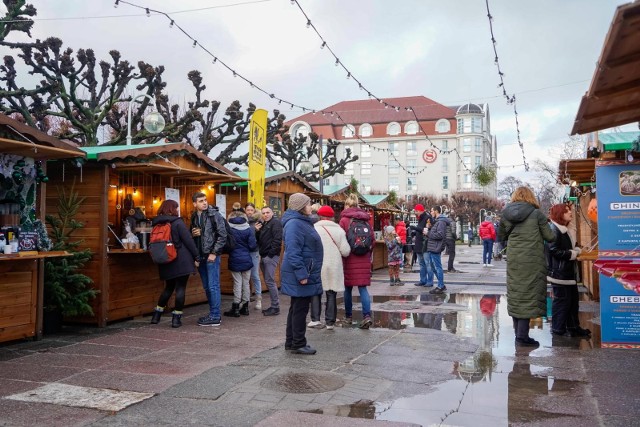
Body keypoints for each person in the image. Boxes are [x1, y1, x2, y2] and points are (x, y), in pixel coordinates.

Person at [498, 186, 555, 347]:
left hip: (515, 259)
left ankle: (519, 334)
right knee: (528, 294)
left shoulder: (506, 214)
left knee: (517, 294)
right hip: (532, 260)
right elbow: (550, 237)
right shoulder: (537, 214)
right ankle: (522, 337)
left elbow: (501, 235)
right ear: (531, 197)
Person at [280, 193, 323, 355]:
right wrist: (302, 274)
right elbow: (293, 252)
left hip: (304, 270)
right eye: (308, 203)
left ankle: (291, 342)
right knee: (300, 309)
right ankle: (298, 343)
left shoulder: (301, 222)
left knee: (296, 307)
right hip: (301, 272)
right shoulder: (295, 224)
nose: (310, 206)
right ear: (300, 206)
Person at [150, 199, 200, 328]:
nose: (178, 210)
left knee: (168, 288)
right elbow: (188, 240)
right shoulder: (177, 222)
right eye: (176, 207)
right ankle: (176, 319)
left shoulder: (156, 223)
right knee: (180, 288)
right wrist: (197, 256)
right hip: (181, 259)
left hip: (166, 260)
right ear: (173, 209)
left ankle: (156, 316)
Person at [546, 203, 591, 337]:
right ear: (560, 214)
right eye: (567, 211)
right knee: (562, 302)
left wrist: (575, 250)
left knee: (571, 302)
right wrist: (573, 254)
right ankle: (558, 328)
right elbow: (554, 250)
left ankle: (573, 327)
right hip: (560, 274)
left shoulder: (564, 229)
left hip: (566, 273)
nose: (570, 213)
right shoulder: (555, 230)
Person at [191, 192, 227, 327]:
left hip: (211, 255)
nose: (204, 203)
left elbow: (222, 236)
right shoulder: (194, 216)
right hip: (201, 256)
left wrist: (214, 253)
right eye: (201, 201)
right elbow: (194, 236)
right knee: (207, 286)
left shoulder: (214, 215)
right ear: (195, 204)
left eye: (205, 200)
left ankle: (215, 315)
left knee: (213, 286)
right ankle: (213, 314)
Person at [311, 205, 351, 329]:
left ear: (319, 216)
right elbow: (345, 251)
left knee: (316, 292)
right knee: (331, 292)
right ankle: (330, 322)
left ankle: (315, 319)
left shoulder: (313, 229)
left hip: (317, 264)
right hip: (334, 265)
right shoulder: (339, 230)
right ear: (332, 217)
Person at [339, 193, 375, 329]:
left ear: (347, 205)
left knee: (347, 289)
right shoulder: (366, 220)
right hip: (364, 259)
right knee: (363, 288)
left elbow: (341, 241)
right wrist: (367, 253)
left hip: (349, 259)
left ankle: (348, 317)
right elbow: (372, 240)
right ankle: (366, 316)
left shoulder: (344, 220)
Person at [223, 203, 258, 318]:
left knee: (237, 283)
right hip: (246, 259)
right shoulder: (248, 229)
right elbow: (253, 246)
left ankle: (236, 307)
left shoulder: (229, 229)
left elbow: (227, 246)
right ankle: (246, 307)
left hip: (234, 258)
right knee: (246, 283)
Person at [255, 206, 283, 316]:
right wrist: (257, 231)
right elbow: (260, 240)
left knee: (270, 281)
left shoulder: (275, 223)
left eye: (267, 212)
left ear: (272, 213)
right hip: (264, 255)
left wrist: (270, 255)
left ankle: (275, 307)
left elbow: (277, 240)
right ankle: (274, 306)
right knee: (268, 281)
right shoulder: (265, 224)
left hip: (270, 256)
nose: (265, 214)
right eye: (263, 213)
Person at [244, 203, 263, 310]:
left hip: (254, 251)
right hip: (244, 251)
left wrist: (256, 231)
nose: (250, 212)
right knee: (245, 276)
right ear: (245, 210)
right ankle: (246, 299)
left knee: (255, 275)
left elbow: (260, 237)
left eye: (251, 210)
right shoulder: (242, 221)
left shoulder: (258, 222)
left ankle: (258, 299)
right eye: (248, 210)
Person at [411, 204, 433, 287]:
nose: (416, 213)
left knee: (427, 263)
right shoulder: (420, 218)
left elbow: (427, 230)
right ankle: (423, 280)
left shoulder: (427, 218)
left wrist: (416, 229)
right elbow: (421, 230)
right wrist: (415, 232)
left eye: (416, 211)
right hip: (419, 244)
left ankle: (429, 281)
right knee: (422, 264)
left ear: (420, 210)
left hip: (425, 244)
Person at [426, 206, 447, 294]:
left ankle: (440, 286)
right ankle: (441, 284)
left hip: (436, 247)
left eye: (431, 211)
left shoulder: (441, 222)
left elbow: (440, 235)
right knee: (434, 267)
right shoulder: (437, 221)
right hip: (432, 246)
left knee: (437, 267)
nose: (431, 213)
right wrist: (429, 229)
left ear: (436, 211)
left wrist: (428, 233)